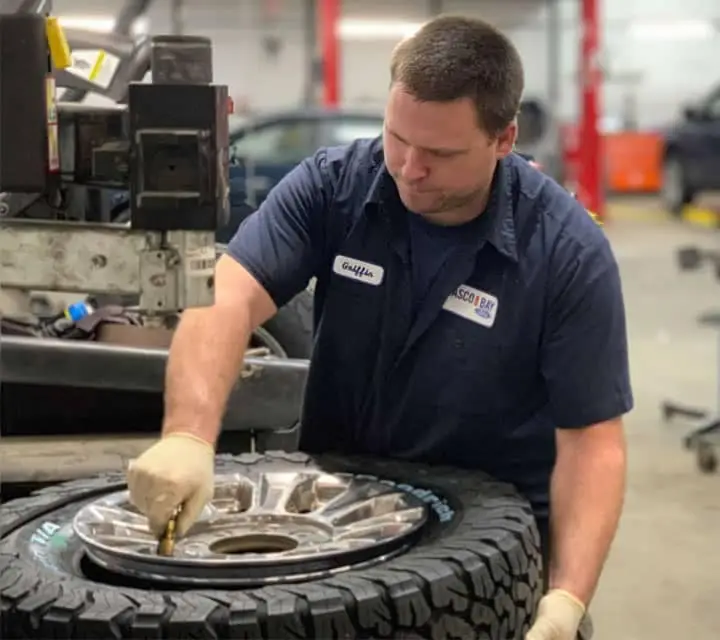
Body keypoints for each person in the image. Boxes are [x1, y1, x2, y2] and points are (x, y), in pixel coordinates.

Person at [127, 15, 632, 640]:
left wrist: (566, 599)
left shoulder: (565, 252)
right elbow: (226, 298)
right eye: (397, 137)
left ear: (504, 139)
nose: (409, 168)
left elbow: (592, 442)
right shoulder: (332, 188)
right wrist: (187, 436)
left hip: (493, 562)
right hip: (338, 524)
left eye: (441, 153)